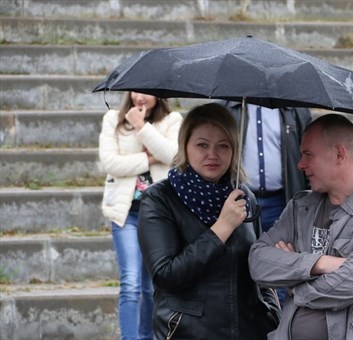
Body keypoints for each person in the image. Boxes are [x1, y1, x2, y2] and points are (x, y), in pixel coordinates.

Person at [248, 114, 353, 339]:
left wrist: (294, 282)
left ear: (339, 154)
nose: (300, 164)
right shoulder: (300, 207)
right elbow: (258, 262)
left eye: (308, 154)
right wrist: (318, 264)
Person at [137, 103, 280, 339]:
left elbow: (257, 264)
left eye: (223, 146)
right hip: (189, 331)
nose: (212, 154)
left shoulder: (244, 198)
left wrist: (269, 310)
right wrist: (222, 228)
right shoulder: (160, 198)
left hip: (247, 330)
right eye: (202, 145)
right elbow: (166, 275)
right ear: (185, 146)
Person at [98, 91, 182, 340]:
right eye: (135, 91)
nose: (140, 97)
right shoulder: (113, 119)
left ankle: (148, 336)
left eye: (146, 91)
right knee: (131, 282)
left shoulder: (171, 121)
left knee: (152, 285)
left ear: (158, 95)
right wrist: (149, 158)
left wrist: (141, 126)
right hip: (127, 215)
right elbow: (110, 163)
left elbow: (173, 157)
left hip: (158, 216)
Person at [220, 101, 312, 231]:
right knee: (242, 250)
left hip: (282, 202)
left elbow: (311, 154)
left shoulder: (294, 109)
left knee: (281, 249)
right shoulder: (228, 107)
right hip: (240, 201)